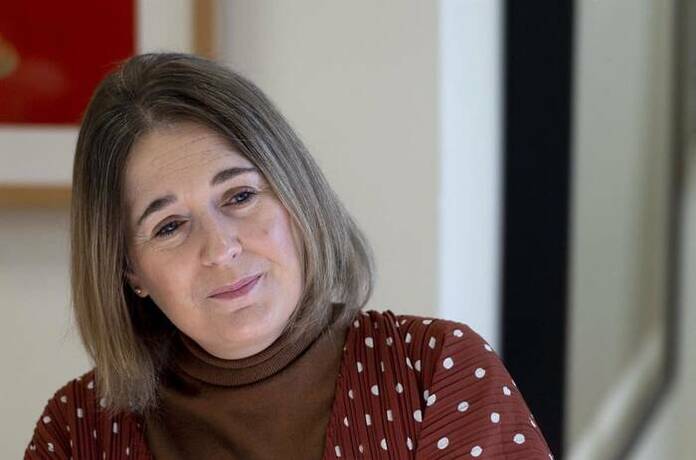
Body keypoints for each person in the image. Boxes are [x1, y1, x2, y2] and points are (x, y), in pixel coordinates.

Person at [25, 53, 553, 459]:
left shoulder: (435, 373)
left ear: (297, 198)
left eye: (240, 196)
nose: (221, 248)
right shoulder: (77, 433)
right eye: (169, 226)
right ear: (129, 270)